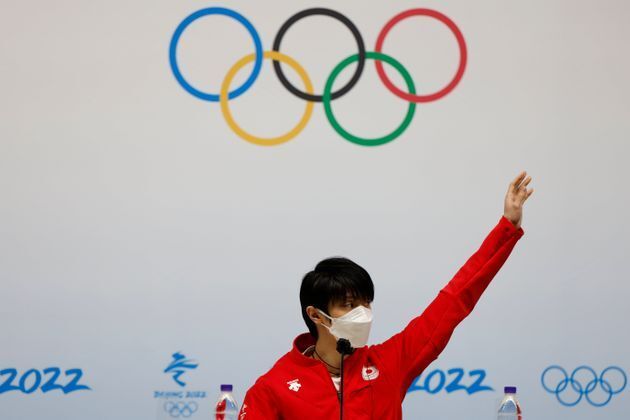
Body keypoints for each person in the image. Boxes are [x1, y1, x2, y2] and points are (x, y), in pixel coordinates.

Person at [238, 171, 534, 419]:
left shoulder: (389, 363)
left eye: (366, 303)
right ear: (315, 315)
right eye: (349, 305)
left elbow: (454, 299)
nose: (363, 313)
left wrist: (506, 230)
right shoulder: (273, 387)